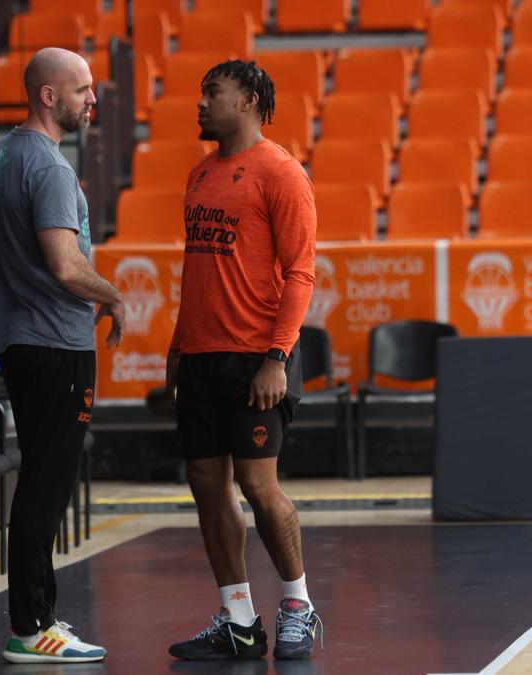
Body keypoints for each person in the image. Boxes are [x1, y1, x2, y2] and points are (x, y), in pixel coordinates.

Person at [165, 59, 322, 661]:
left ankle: (298, 605)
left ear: (251, 99)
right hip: (203, 359)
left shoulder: (281, 173)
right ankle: (237, 619)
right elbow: (197, 271)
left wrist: (277, 357)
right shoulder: (200, 175)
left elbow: (300, 273)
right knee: (207, 487)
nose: (200, 104)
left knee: (259, 486)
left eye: (213, 93)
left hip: (258, 359)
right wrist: (180, 347)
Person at [0, 47, 124, 664]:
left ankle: (36, 617)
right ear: (48, 96)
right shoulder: (49, 167)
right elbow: (66, 266)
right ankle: (32, 624)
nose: (92, 99)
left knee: (39, 480)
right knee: (46, 485)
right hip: (54, 343)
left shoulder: (2, 156)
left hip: (21, 339)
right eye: (83, 89)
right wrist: (114, 295)